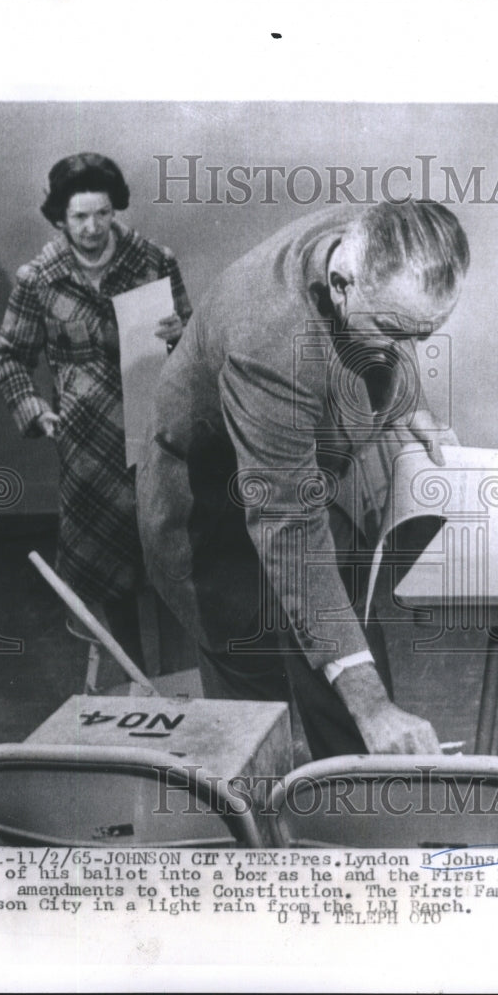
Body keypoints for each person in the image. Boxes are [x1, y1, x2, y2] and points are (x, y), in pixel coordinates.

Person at [137, 200, 469, 759]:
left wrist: (411, 402)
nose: (407, 350)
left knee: (347, 654)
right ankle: (261, 840)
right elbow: (287, 528)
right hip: (209, 511)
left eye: (426, 333)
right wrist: (372, 707)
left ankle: (358, 821)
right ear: (341, 284)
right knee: (254, 719)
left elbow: (395, 332)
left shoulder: (377, 244)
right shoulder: (268, 340)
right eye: (393, 330)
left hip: (300, 481)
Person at [0, 153, 192, 657]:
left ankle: (177, 678)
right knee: (108, 568)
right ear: (60, 217)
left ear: (115, 209)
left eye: (102, 213)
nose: (92, 227)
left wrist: (180, 333)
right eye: (79, 216)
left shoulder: (153, 261)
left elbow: (194, 345)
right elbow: (10, 358)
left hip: (153, 427)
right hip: (86, 444)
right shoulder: (39, 278)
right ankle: (134, 678)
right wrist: (34, 409)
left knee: (165, 549)